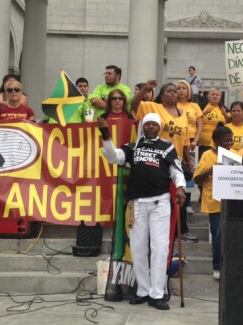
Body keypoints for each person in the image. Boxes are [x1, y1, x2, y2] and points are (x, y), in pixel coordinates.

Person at [98, 113, 186, 310]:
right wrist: (105, 135)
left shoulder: (167, 146)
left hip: (160, 203)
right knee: (137, 248)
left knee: (159, 247)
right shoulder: (133, 146)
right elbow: (113, 157)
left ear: (159, 127)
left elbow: (177, 171)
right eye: (148, 125)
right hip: (137, 204)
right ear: (143, 127)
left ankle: (157, 293)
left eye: (154, 124)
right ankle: (142, 291)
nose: (151, 127)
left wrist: (180, 187)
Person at [193, 123, 235, 281]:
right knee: (218, 235)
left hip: (232, 202)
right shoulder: (207, 155)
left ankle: (229, 265)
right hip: (214, 202)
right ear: (216, 141)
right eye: (226, 141)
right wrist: (212, 169)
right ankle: (217, 266)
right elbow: (197, 178)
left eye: (231, 140)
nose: (230, 144)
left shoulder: (235, 155)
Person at [131, 81, 190, 163]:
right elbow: (134, 105)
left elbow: (185, 143)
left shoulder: (183, 114)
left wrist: (189, 162)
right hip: (156, 159)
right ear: (162, 96)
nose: (172, 93)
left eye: (175, 92)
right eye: (169, 91)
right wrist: (145, 89)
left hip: (176, 161)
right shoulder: (153, 107)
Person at [176, 79, 203, 234]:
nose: (180, 91)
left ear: (189, 91)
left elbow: (200, 125)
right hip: (178, 144)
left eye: (183, 88)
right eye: (178, 88)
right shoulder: (174, 106)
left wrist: (196, 140)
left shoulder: (194, 106)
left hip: (192, 144)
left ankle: (187, 203)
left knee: (190, 173)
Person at [198, 86, 230, 158]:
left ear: (220, 97)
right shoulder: (202, 106)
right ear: (208, 96)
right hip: (203, 145)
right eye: (213, 94)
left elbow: (229, 123)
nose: (215, 96)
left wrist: (225, 114)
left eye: (217, 95)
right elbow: (194, 119)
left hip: (219, 145)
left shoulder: (223, 108)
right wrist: (204, 112)